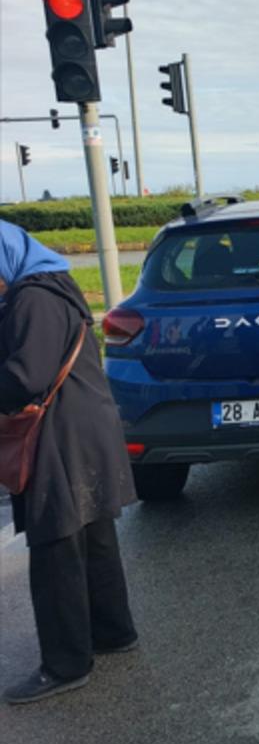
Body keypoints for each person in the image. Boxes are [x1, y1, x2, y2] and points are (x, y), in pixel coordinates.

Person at [0, 224, 137, 704]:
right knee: (93, 535)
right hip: (87, 428)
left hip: (58, 438)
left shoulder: (29, 300)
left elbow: (25, 378)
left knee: (55, 544)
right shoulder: (55, 286)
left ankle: (65, 663)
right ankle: (113, 631)